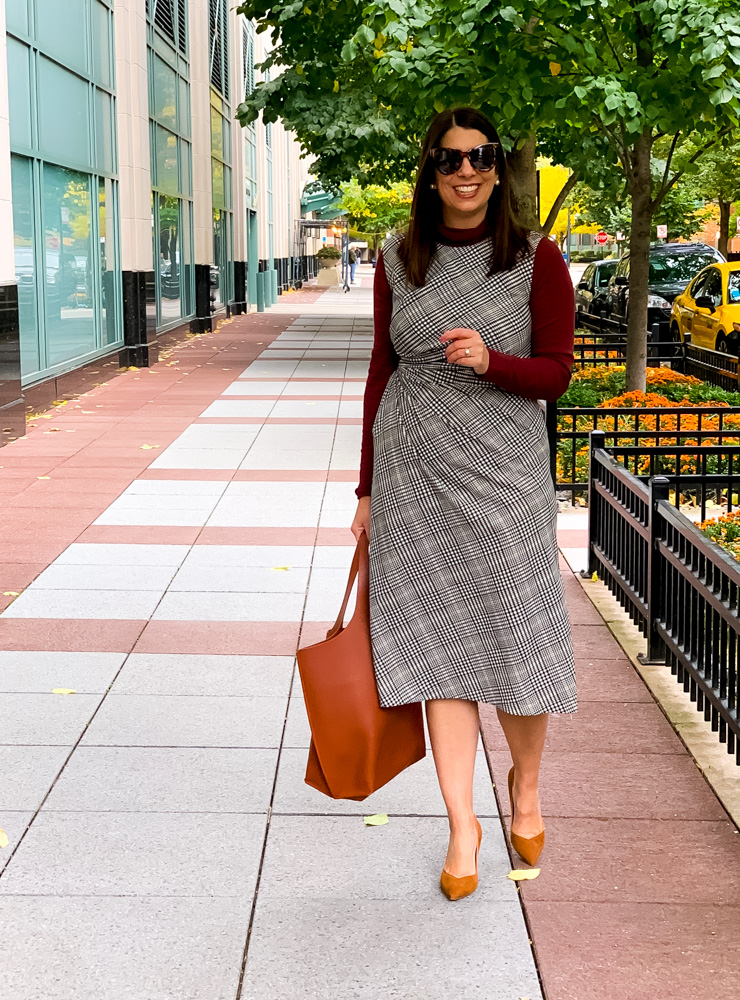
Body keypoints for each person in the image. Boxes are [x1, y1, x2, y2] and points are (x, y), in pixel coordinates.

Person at [350, 106, 576, 901]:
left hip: (507, 477)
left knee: (518, 638)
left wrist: (492, 361)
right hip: (415, 472)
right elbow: (382, 369)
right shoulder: (398, 256)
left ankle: (526, 786)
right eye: (450, 159)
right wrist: (368, 487)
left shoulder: (537, 259)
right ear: (431, 170)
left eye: (479, 157)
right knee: (437, 646)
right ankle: (461, 825)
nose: (466, 171)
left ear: (497, 168)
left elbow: (557, 373)